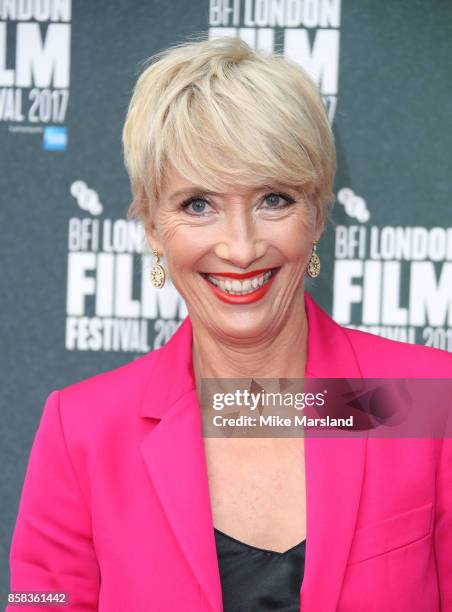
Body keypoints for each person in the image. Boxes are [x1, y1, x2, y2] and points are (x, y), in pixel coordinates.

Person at [7, 35, 452, 612]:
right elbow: (34, 600)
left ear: (316, 214)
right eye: (198, 204)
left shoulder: (424, 400)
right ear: (151, 227)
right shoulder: (84, 433)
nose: (241, 249)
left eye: (273, 199)